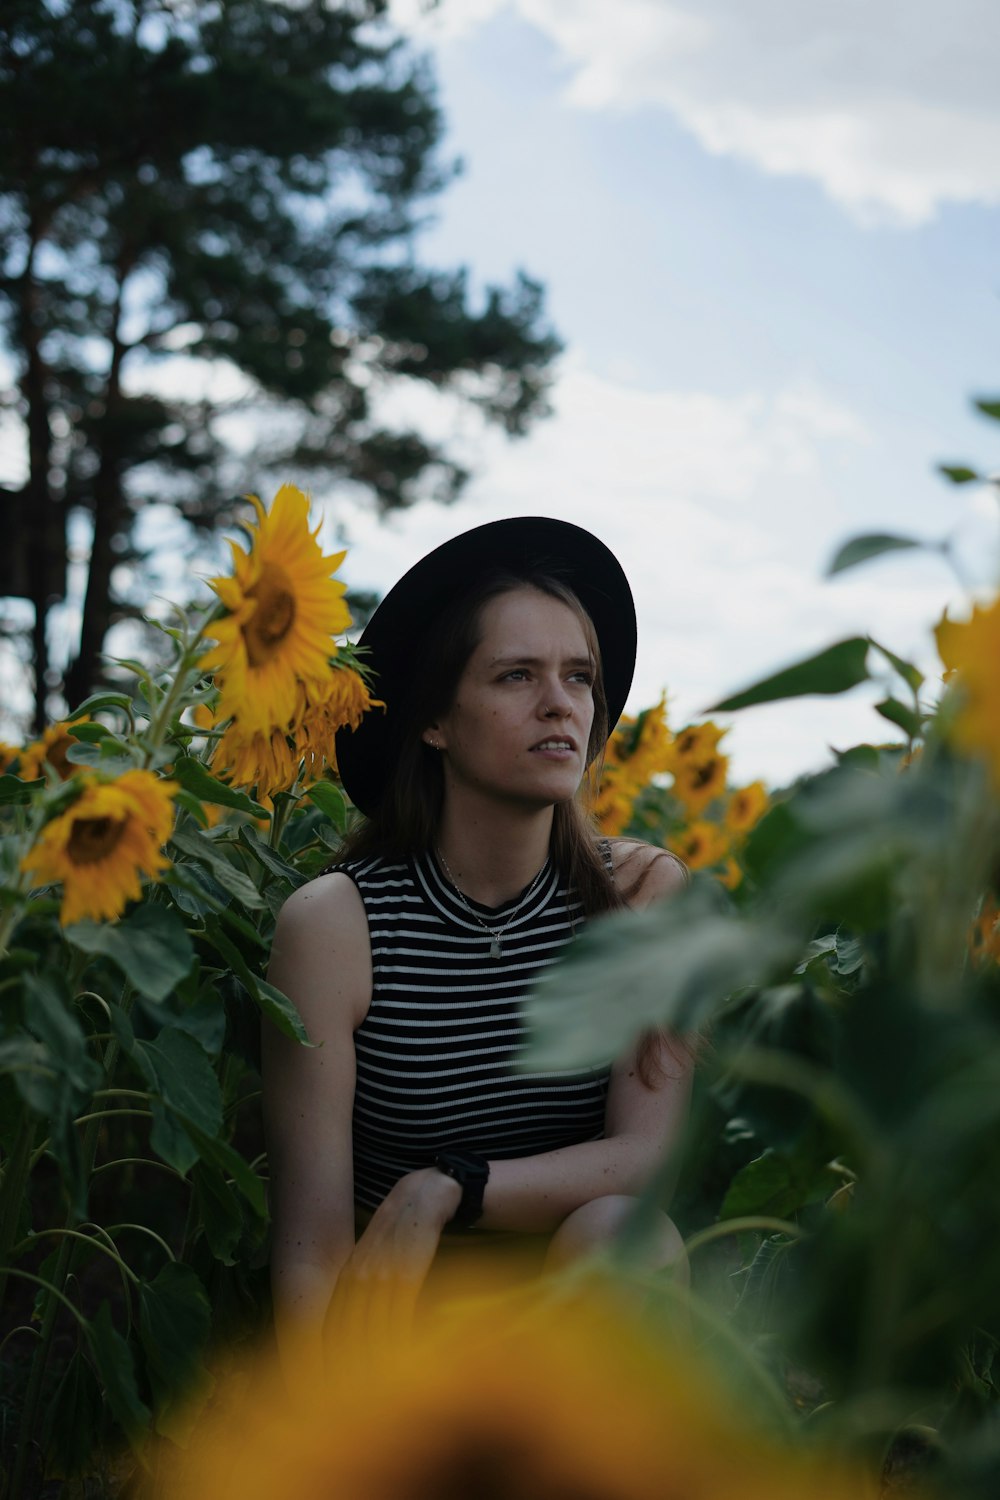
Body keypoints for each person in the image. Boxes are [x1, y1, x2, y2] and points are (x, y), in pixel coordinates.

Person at [263, 517, 693, 1368]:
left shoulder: (639, 900)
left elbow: (648, 1160)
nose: (559, 702)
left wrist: (450, 1185)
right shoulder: (338, 927)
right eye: (515, 675)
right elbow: (311, 1253)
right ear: (433, 720)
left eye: (579, 677)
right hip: (404, 1350)